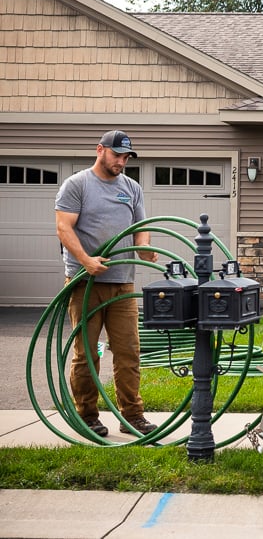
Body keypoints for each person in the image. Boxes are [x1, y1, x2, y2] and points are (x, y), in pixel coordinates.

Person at [55, 130, 159, 437]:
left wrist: (143, 248)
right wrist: (86, 260)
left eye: (126, 157)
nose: (122, 162)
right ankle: (87, 415)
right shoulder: (78, 185)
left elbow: (141, 228)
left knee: (128, 352)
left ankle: (132, 415)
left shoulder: (132, 188)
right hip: (84, 283)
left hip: (122, 284)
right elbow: (63, 227)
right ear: (100, 150)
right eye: (117, 155)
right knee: (86, 353)